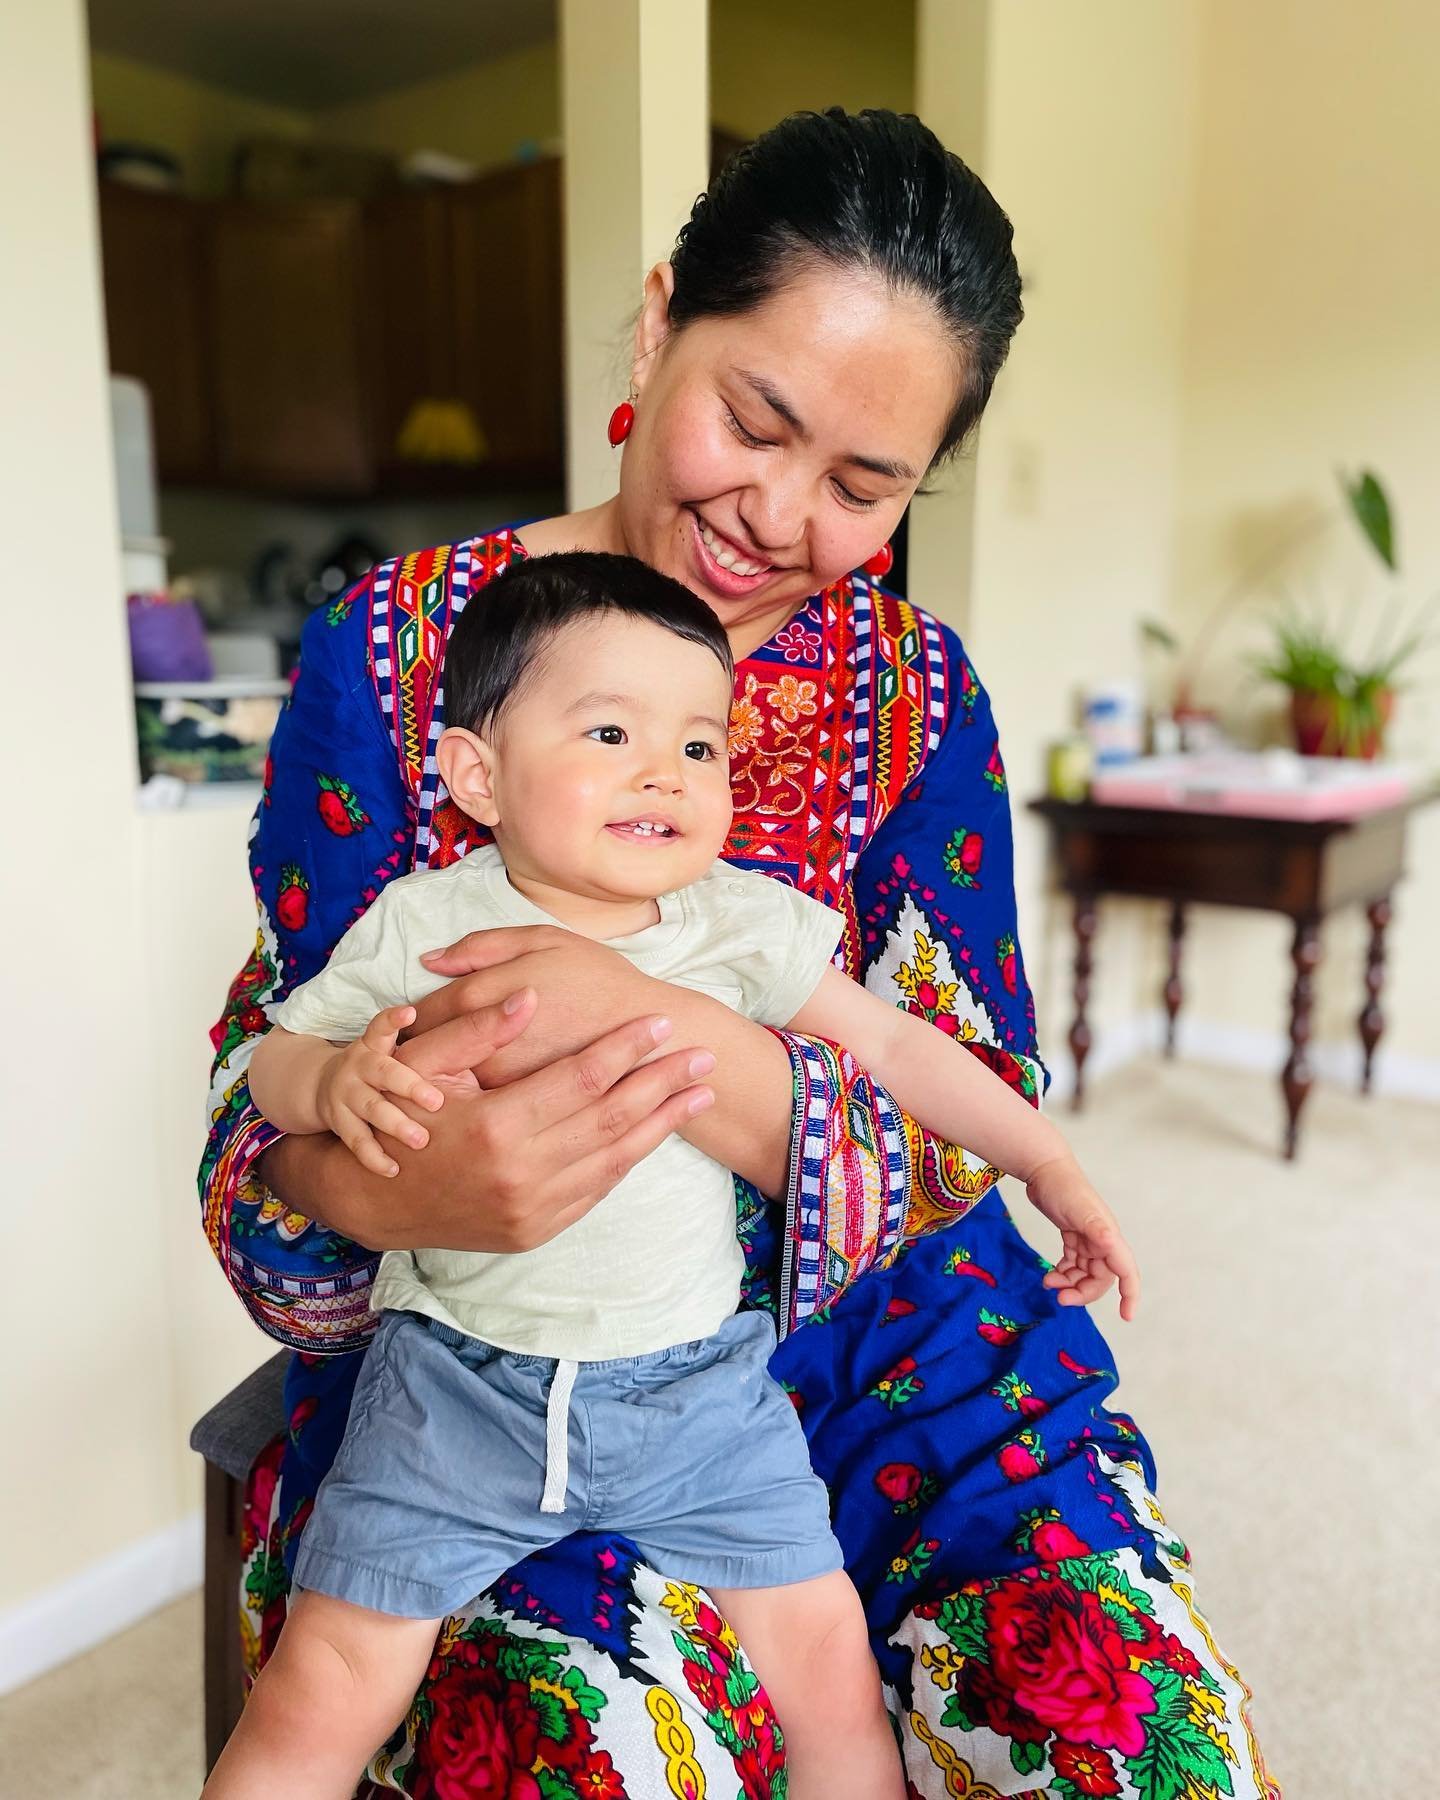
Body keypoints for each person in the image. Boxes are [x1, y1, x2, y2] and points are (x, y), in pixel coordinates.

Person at [202, 109, 1279, 1797]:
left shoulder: (922, 698)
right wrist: (410, 1190)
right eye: (751, 422)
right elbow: (255, 1108)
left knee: (1147, 1756)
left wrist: (659, 1032)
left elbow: (967, 1099)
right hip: (501, 1365)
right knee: (596, 1751)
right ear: (657, 325)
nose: (777, 515)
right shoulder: (400, 658)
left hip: (911, 1357)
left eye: (863, 486)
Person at [203, 553, 1141, 1800]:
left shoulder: (739, 924)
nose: (666, 772)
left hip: (699, 1398)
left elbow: (906, 1047)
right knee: (324, 1684)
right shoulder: (424, 927)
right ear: (477, 774)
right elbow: (274, 1053)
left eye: (702, 748)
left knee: (829, 1678)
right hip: (449, 1390)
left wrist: (1049, 1159)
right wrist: (328, 1086)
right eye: (610, 731)